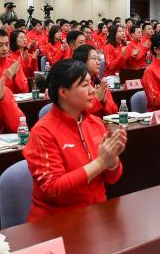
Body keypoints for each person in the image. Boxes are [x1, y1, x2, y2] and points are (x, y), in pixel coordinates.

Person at [22, 59, 127, 221]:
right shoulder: (43, 132)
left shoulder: (95, 123)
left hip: (95, 216)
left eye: (90, 84)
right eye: (85, 85)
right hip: (59, 221)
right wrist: (100, 163)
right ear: (63, 92)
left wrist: (112, 161)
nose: (92, 90)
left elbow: (112, 179)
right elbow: (52, 187)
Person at [72, 44, 117, 116]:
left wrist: (104, 101)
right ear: (82, 61)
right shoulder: (74, 85)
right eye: (94, 58)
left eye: (98, 59)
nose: (98, 62)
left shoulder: (99, 82)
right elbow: (78, 116)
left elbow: (114, 113)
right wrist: (96, 99)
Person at [0, 28, 30, 93]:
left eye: (6, 44)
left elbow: (24, 90)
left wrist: (15, 76)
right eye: (0, 45)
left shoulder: (13, 63)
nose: (5, 48)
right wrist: (8, 76)